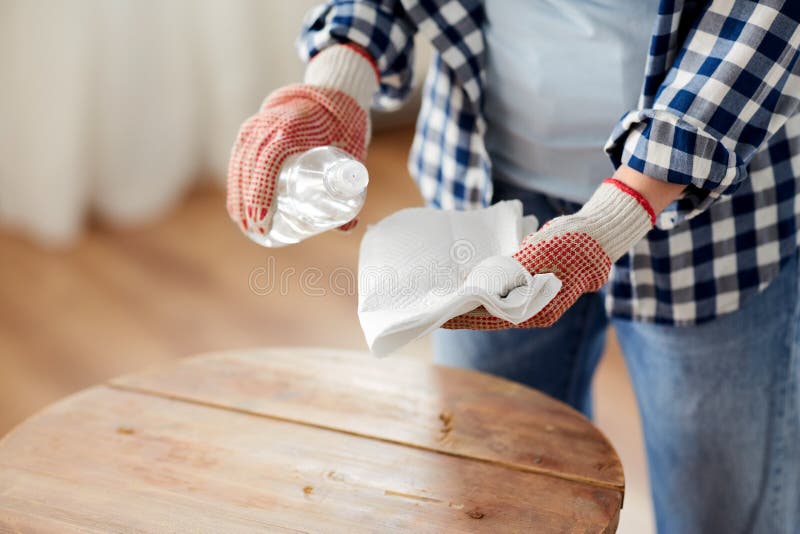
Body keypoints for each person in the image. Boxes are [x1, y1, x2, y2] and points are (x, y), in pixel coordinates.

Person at [227, 1, 800, 532]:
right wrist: (334, 85)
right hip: (487, 182)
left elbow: (763, 20)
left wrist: (612, 219)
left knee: (722, 514)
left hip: (717, 216)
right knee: (493, 498)